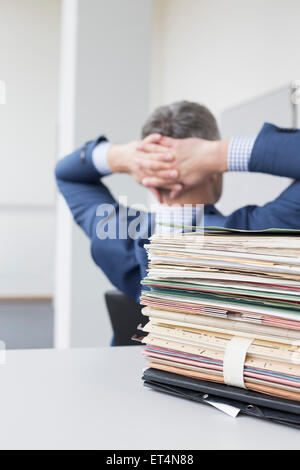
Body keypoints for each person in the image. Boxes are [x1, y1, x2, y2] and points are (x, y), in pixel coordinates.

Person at [55, 101, 223, 303]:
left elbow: (66, 174)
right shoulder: (252, 236)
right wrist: (221, 154)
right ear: (213, 168)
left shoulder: (115, 231)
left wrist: (120, 156)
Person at [138, 122, 300, 230]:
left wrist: (119, 158)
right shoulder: (264, 228)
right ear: (213, 172)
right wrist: (217, 154)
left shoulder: (129, 244)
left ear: (151, 183)